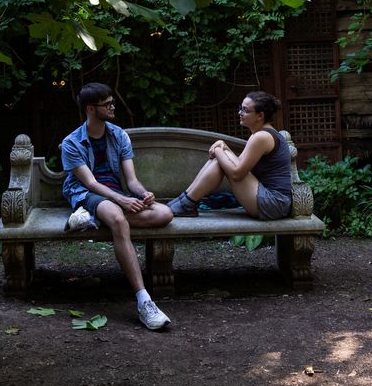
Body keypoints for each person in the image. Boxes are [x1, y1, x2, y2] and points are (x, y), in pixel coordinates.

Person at [61, 83, 174, 330]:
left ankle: (89, 221)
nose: (113, 107)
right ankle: (144, 301)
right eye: (107, 104)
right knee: (119, 220)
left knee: (165, 213)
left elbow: (131, 180)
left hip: (115, 193)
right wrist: (121, 201)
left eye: (112, 102)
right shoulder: (71, 143)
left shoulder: (119, 135)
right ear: (91, 109)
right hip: (86, 193)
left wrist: (143, 194)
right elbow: (90, 182)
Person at [167, 91, 292, 220]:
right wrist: (223, 146)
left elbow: (237, 174)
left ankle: (185, 203)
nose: (240, 113)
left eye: (246, 110)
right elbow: (238, 163)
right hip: (272, 201)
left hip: (274, 204)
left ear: (260, 115)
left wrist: (218, 151)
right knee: (220, 159)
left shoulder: (262, 137)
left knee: (219, 159)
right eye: (240, 108)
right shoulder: (262, 134)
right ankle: (184, 201)